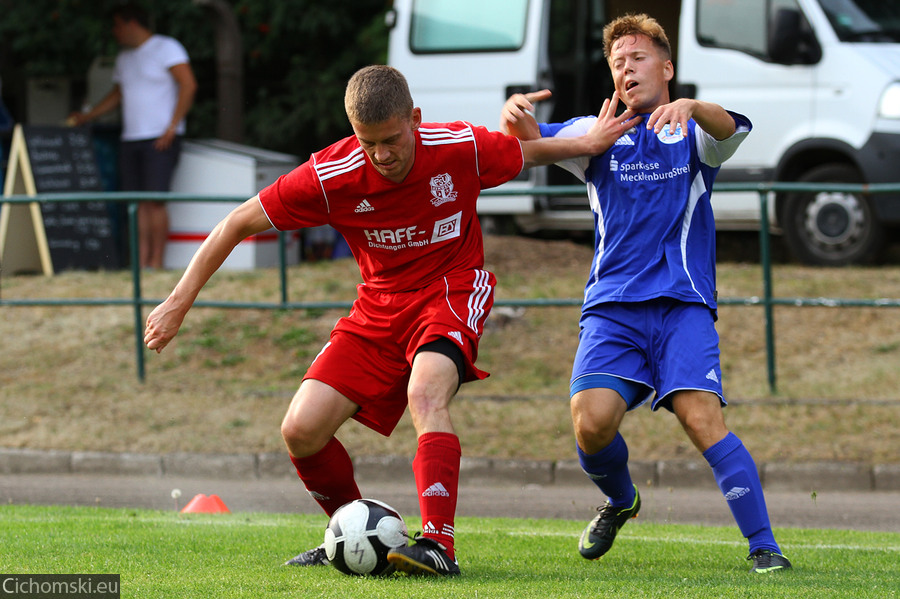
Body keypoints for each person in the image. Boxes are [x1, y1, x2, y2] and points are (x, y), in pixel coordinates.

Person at [144, 65, 619, 577]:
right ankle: (350, 534)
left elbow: (527, 152)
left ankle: (439, 544)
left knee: (425, 394)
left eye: (392, 140)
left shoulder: (458, 146)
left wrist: (591, 142)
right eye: (368, 143)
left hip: (449, 289)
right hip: (377, 309)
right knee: (301, 430)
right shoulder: (332, 175)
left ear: (414, 119)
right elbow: (237, 222)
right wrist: (177, 303)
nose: (382, 155)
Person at [500, 14, 792, 574]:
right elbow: (530, 143)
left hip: (682, 304)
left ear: (666, 67)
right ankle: (621, 499)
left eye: (636, 58)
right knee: (591, 422)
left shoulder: (695, 135)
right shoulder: (597, 131)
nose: (626, 68)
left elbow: (732, 127)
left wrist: (692, 107)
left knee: (701, 418)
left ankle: (764, 548)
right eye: (616, 63)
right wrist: (516, 118)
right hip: (613, 308)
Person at [70, 2, 197, 270]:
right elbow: (118, 94)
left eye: (116, 25)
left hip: (160, 137)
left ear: (130, 23)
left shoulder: (167, 47)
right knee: (138, 202)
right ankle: (141, 265)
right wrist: (89, 116)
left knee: (156, 201)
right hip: (131, 137)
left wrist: (172, 126)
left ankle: (157, 263)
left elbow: (188, 84)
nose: (114, 32)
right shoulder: (124, 58)